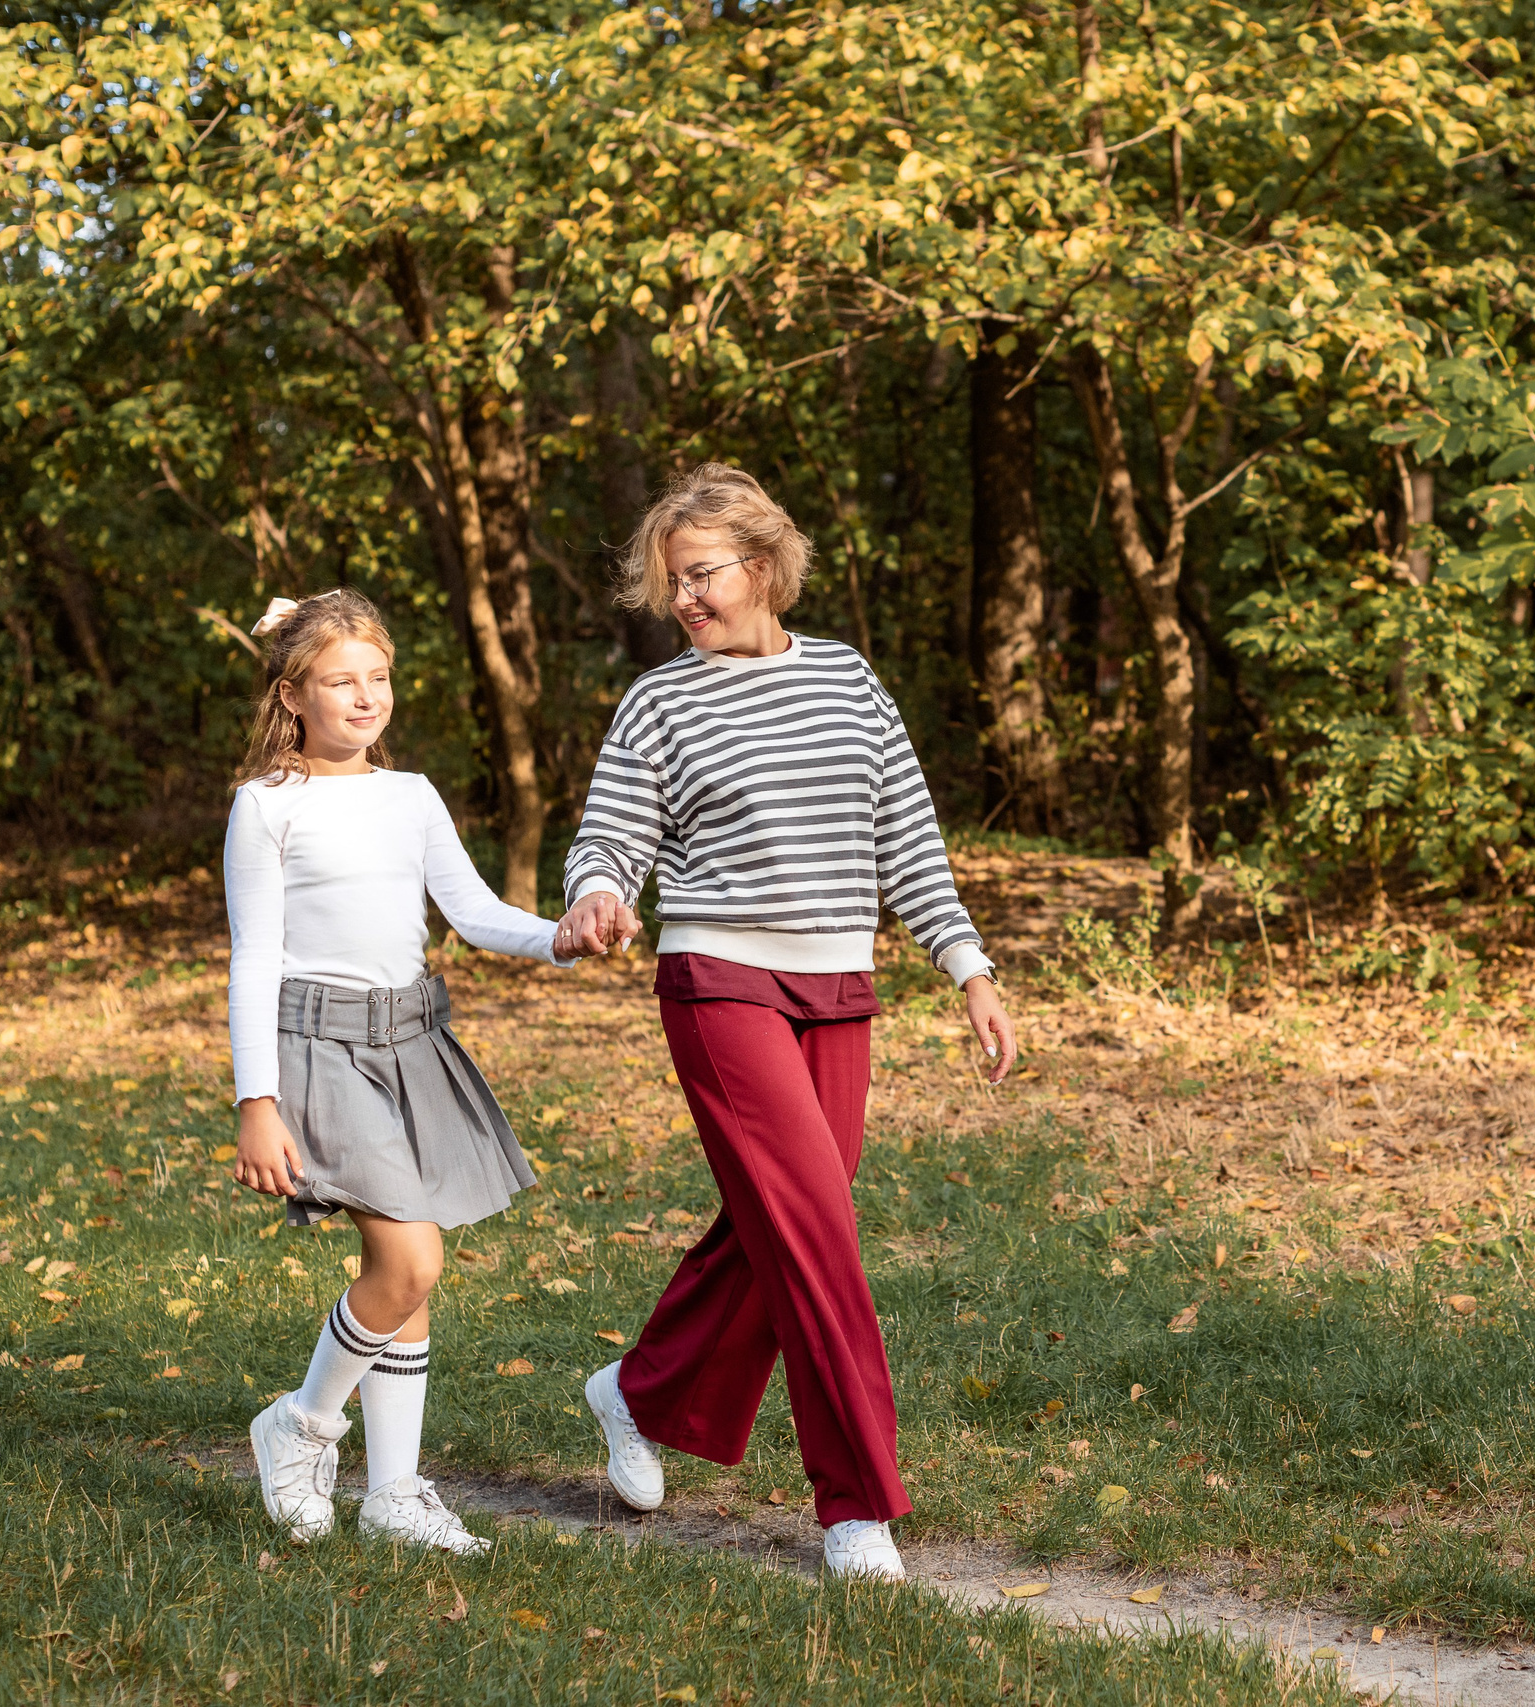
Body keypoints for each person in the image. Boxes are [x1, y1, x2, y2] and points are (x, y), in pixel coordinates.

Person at [556, 463, 1016, 1582]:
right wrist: (599, 893)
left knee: (783, 1225)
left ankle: (639, 1385)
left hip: (836, 986)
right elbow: (610, 834)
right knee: (816, 1236)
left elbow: (907, 835)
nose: (685, 600)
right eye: (672, 584)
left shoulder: (849, 680)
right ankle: (856, 1503)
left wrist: (969, 968)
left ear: (761, 567)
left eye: (700, 576)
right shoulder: (662, 701)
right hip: (719, 981)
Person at [226, 589, 602, 1553]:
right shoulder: (266, 806)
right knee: (411, 1260)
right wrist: (256, 1102)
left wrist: (557, 937)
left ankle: (393, 1492)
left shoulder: (411, 795)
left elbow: (472, 911)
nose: (364, 697)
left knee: (407, 1278)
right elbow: (254, 959)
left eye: (378, 677)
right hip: (320, 1050)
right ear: (293, 693)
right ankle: (302, 1423)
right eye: (340, 681)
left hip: (414, 1044)